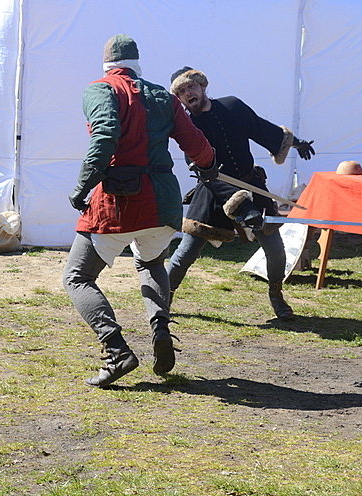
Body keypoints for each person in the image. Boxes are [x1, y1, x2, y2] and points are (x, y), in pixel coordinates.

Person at [63, 35, 216, 389]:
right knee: (151, 263)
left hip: (120, 201)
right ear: (136, 63)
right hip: (162, 204)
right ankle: (160, 327)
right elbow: (197, 144)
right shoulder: (163, 95)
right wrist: (208, 166)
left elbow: (105, 137)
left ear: (107, 63)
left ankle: (117, 351)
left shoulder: (100, 89)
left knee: (77, 276)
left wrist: (82, 187)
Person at [166, 67, 315, 320]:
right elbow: (205, 173)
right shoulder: (186, 128)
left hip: (251, 185)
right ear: (179, 99)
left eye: (191, 86)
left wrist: (294, 142)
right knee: (186, 252)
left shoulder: (232, 106)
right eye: (181, 91)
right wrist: (243, 207)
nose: (187, 92)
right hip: (213, 191)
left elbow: (261, 128)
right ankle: (163, 298)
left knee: (275, 249)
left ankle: (276, 295)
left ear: (202, 87)